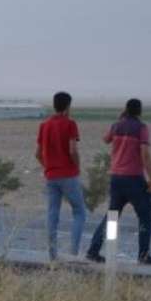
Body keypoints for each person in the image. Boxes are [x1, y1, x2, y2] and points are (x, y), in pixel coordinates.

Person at [85, 98, 151, 265]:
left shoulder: (117, 125)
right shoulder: (141, 128)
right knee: (145, 216)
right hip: (134, 178)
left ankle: (94, 250)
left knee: (112, 216)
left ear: (126, 109)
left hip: (116, 179)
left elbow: (106, 139)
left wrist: (120, 121)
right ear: (140, 111)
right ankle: (143, 254)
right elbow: (145, 154)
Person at [35, 91, 87, 261]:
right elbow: (73, 150)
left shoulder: (44, 125)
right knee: (79, 211)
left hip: (51, 176)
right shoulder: (70, 124)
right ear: (67, 106)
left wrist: (48, 167)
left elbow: (37, 153)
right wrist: (77, 167)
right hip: (68, 174)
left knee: (52, 213)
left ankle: (52, 254)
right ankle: (73, 253)